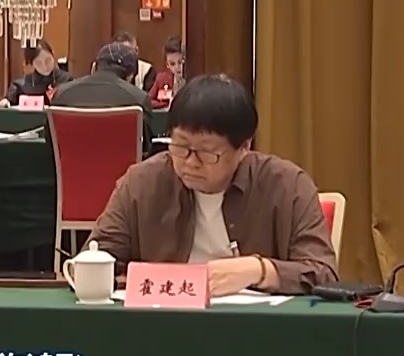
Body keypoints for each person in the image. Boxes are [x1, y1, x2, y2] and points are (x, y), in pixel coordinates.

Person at [88, 74, 339, 296]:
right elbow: (96, 257)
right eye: (181, 146)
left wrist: (259, 270)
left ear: (244, 147)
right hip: (163, 321)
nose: (190, 162)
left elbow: (323, 273)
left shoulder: (287, 185)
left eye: (207, 152)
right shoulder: (141, 183)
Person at [51, 42, 156, 153]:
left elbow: (51, 143)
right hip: (124, 164)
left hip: (71, 163)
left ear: (94, 67)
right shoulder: (139, 99)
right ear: (130, 76)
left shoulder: (62, 94)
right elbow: (145, 148)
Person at [0, 40, 71, 107]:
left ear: (53, 55)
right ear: (32, 64)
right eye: (39, 63)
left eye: (48, 60)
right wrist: (4, 102)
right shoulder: (20, 86)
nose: (45, 66)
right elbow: (6, 102)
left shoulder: (67, 80)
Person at [148, 36, 186, 108]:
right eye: (172, 64)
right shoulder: (161, 78)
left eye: (180, 62)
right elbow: (148, 101)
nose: (177, 67)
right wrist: (168, 105)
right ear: (167, 64)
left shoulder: (194, 78)